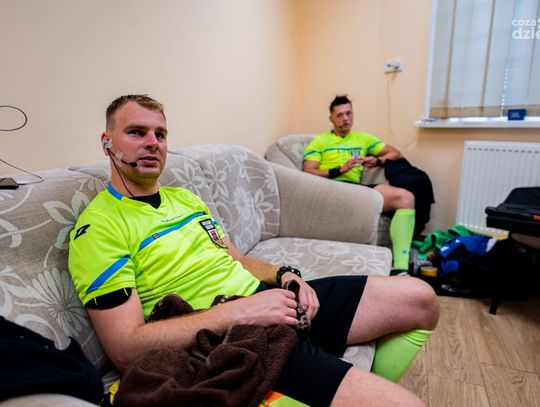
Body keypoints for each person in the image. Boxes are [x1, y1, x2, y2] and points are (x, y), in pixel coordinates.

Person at [68, 94, 439, 407]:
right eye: (137, 132)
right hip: (229, 337)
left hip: (268, 299)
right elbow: (126, 347)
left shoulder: (185, 199)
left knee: (420, 298)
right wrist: (240, 312)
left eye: (160, 134)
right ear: (107, 142)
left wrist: (285, 275)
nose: (153, 142)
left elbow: (235, 258)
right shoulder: (98, 227)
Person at [303, 95, 416, 276]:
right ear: (331, 118)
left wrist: (377, 160)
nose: (345, 118)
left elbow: (395, 153)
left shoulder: (362, 138)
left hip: (357, 190)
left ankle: (401, 268)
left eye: (348, 113)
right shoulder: (320, 141)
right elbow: (308, 171)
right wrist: (339, 170)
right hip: (331, 188)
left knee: (406, 198)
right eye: (339, 115)